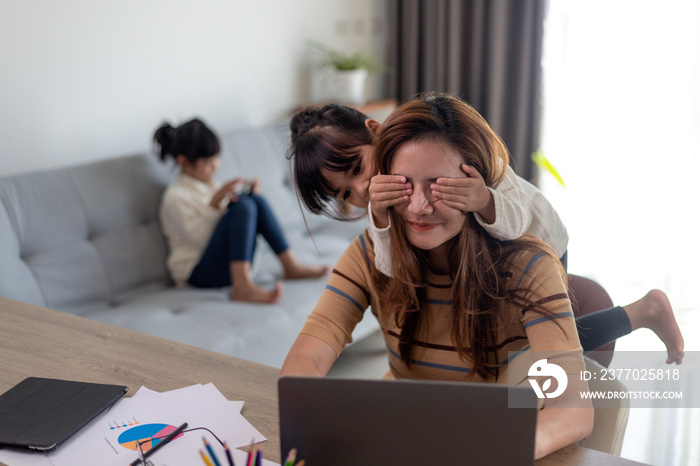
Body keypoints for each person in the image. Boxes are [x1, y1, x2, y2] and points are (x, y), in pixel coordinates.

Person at [281, 93, 594, 459]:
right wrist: (308, 416)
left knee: (564, 345)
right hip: (405, 434)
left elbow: (572, 408)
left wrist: (499, 449)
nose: (417, 206)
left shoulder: (526, 258)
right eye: (403, 184)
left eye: (437, 184)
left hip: (492, 424)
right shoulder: (370, 251)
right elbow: (307, 357)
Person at [287, 98, 684, 364]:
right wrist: (378, 215)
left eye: (357, 168)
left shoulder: (447, 148)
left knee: (540, 342)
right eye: (344, 194)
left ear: (376, 130)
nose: (360, 188)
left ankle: (641, 312)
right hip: (483, 260)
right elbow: (388, 268)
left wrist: (483, 199)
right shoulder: (383, 202)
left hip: (538, 238)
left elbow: (519, 215)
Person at [154, 118, 328, 304]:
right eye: (207, 161)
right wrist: (215, 202)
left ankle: (291, 266)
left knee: (254, 200)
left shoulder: (209, 184)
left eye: (216, 158)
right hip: (197, 273)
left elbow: (227, 225)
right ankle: (243, 286)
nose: (215, 166)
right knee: (243, 207)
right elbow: (200, 241)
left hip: (222, 264)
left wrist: (239, 198)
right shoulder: (176, 196)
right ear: (183, 162)